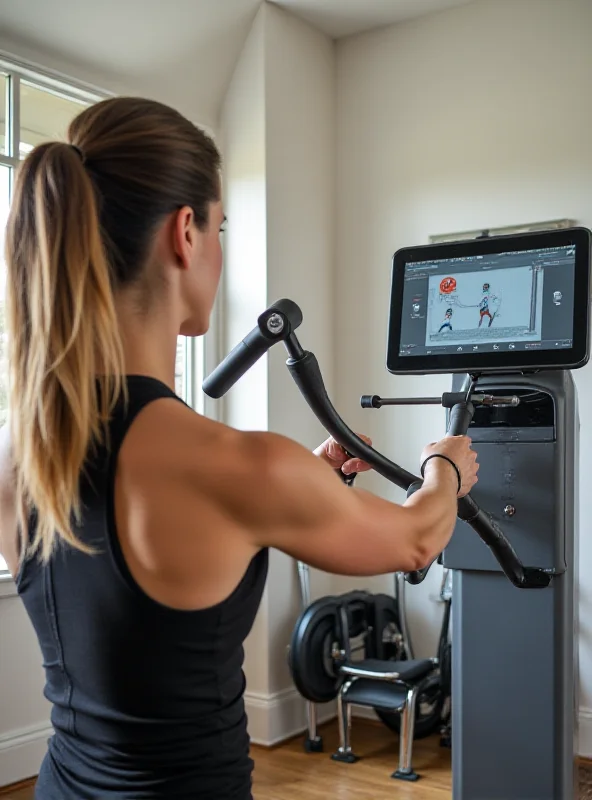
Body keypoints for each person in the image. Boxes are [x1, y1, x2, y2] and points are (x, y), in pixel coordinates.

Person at [0, 97, 478, 800]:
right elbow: (413, 540)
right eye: (221, 226)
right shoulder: (236, 465)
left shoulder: (20, 449)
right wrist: (446, 467)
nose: (219, 248)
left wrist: (300, 486)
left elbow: (146, 571)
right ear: (184, 233)